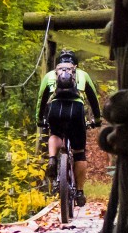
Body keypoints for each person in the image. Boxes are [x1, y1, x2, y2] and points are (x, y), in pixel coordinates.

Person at [35, 50, 102, 207]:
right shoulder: (82, 75)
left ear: (58, 65)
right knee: (79, 153)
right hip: (76, 109)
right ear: (75, 65)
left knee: (55, 134)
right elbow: (93, 98)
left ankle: (52, 158)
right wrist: (97, 119)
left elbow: (41, 99)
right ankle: (79, 192)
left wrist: (39, 119)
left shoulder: (50, 76)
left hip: (55, 108)